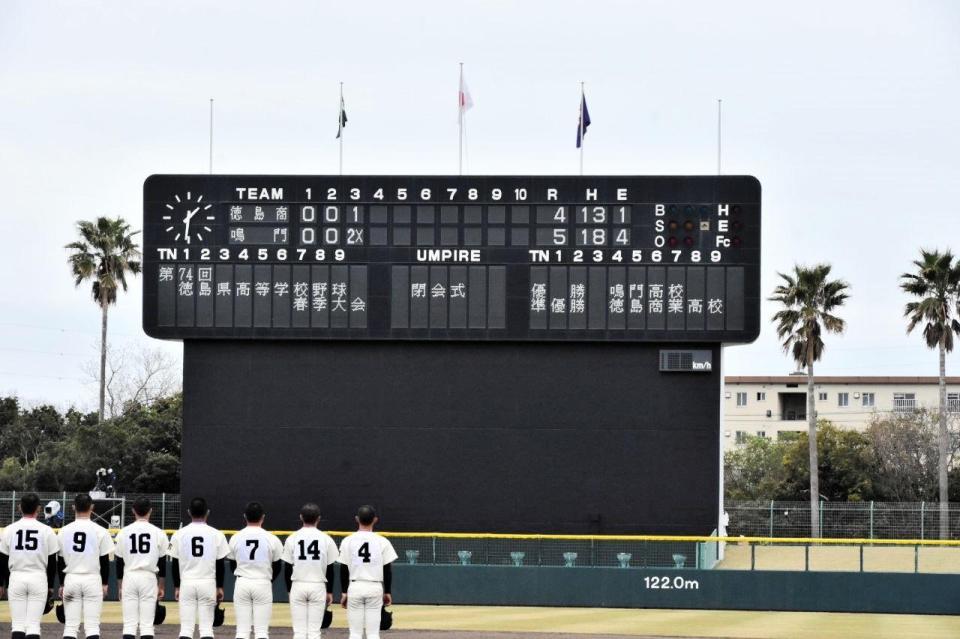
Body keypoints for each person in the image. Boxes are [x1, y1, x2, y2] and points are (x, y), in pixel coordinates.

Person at [0, 493, 61, 639]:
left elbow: (2, 560)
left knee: (18, 625)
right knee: (33, 625)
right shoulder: (47, 530)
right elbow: (52, 562)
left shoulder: (9, 529)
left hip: (16, 577)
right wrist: (50, 586)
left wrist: (2, 584)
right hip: (38, 577)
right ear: (39, 509)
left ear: (19, 507)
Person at [169, 497, 230, 639]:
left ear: (189, 512)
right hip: (208, 582)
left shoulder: (178, 534)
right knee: (207, 630)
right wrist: (219, 587)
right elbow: (220, 564)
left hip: (187, 583)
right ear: (207, 512)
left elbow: (174, 563)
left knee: (186, 629)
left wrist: (177, 586)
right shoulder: (217, 534)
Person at [57, 494, 115, 639]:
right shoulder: (100, 530)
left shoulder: (64, 531)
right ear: (92, 507)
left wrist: (62, 584)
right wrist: (105, 583)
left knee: (70, 627)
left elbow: (60, 561)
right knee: (92, 627)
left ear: (73, 507)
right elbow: (104, 561)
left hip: (71, 578)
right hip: (92, 579)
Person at [337, 505, 397, 639]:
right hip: (374, 587)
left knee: (355, 633)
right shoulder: (382, 541)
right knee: (373, 634)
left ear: (357, 519)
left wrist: (344, 592)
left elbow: (343, 568)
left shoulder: (347, 541)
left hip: (355, 586)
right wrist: (387, 592)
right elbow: (387, 569)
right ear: (375, 520)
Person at [281, 503, 339, 639]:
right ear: (318, 518)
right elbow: (330, 568)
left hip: (298, 584)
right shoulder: (326, 539)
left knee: (299, 632)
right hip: (318, 585)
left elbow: (287, 568)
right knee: (314, 632)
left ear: (301, 517)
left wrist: (289, 590)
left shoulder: (292, 538)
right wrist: (329, 591)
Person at [115, 497, 169, 639]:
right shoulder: (159, 533)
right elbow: (162, 563)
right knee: (147, 625)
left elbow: (119, 563)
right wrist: (161, 586)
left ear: (133, 510)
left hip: (129, 576)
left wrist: (120, 586)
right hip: (148, 577)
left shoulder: (123, 532)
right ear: (150, 511)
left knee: (129, 624)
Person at [228, 502, 283, 639]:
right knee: (262, 632)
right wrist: (268, 580)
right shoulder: (272, 538)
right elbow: (277, 566)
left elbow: (232, 565)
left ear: (245, 516)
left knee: (242, 631)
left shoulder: (235, 537)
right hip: (263, 582)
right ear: (263, 517)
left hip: (242, 582)